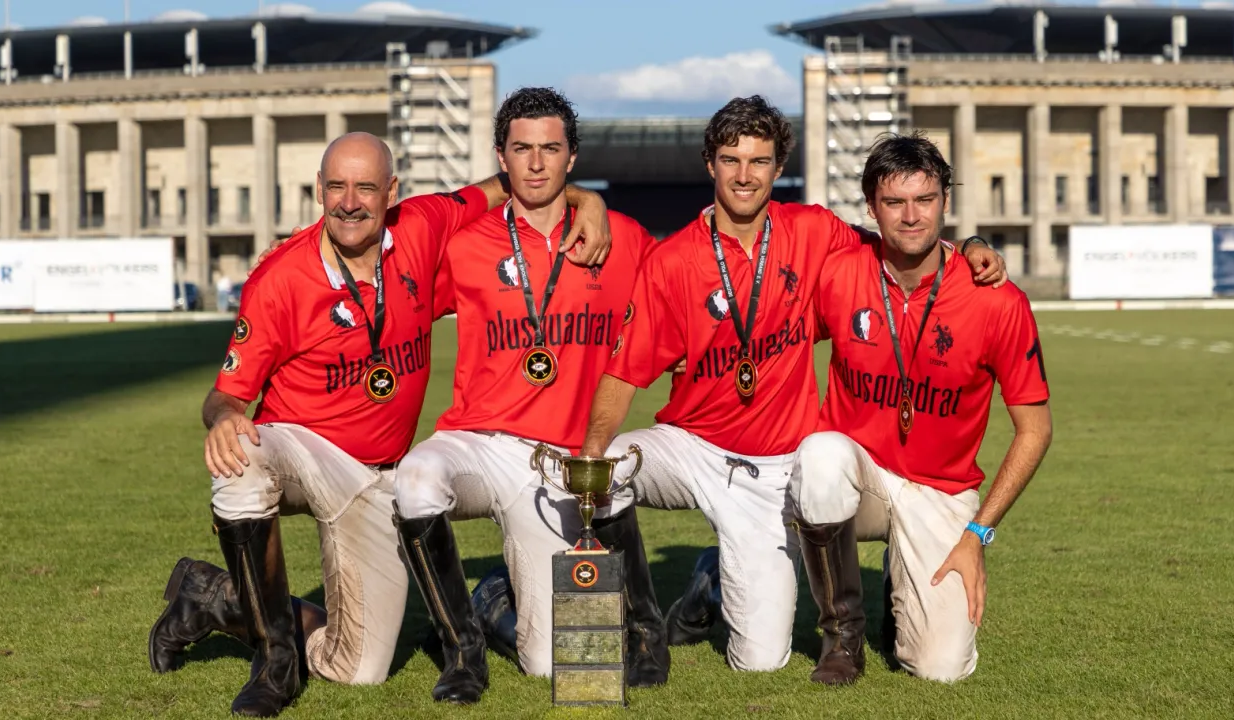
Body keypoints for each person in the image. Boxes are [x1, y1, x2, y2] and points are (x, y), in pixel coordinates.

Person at [145, 131, 611, 717]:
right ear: (319, 189)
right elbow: (224, 396)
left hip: (378, 478)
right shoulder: (280, 277)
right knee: (241, 462)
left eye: (365, 187)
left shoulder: (424, 223)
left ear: (392, 192)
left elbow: (515, 182)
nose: (349, 202)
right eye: (336, 187)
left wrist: (587, 199)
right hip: (304, 450)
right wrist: (224, 419)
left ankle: (213, 597)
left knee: (359, 669)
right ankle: (275, 662)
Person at [575, 96, 1008, 674]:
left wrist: (972, 245)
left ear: (778, 168)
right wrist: (592, 450)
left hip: (779, 470)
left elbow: (902, 237)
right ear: (710, 164)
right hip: (693, 446)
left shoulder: (814, 230)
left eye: (759, 161)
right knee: (606, 470)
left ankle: (710, 579)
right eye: (731, 160)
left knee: (759, 661)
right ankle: (643, 632)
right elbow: (624, 371)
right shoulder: (672, 260)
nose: (744, 175)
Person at [390, 87, 667, 705]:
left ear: (573, 157)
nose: (537, 163)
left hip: (558, 463)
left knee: (549, 664)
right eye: (522, 149)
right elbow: (389, 287)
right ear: (501, 157)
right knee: (415, 478)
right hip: (478, 441)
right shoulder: (464, 243)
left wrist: (592, 202)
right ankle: (461, 653)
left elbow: (683, 294)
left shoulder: (621, 238)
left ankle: (492, 597)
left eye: (551, 149)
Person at [786, 131, 1052, 684]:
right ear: (871, 207)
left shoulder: (996, 299)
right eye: (894, 202)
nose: (911, 216)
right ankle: (842, 636)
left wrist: (978, 535)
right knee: (819, 457)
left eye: (925, 199)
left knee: (940, 669)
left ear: (946, 201)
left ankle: (900, 577)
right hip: (861, 478)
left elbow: (1035, 430)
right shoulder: (838, 273)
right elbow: (773, 342)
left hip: (941, 490)